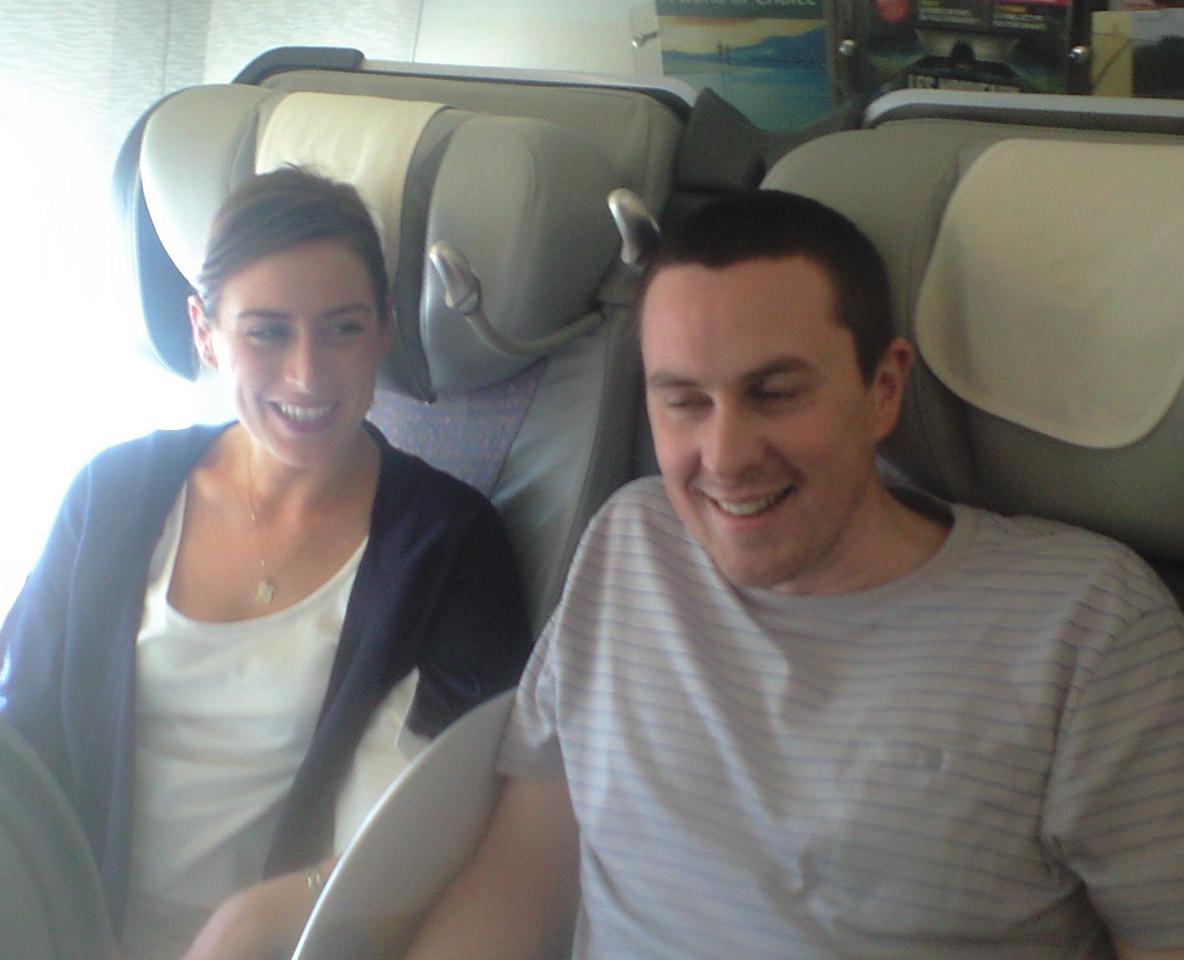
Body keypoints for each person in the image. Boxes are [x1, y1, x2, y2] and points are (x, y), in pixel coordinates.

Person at [402, 190, 1184, 960]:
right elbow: (517, 879)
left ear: (883, 390)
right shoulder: (630, 545)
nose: (726, 457)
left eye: (774, 394)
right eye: (684, 401)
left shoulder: (1092, 629)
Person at [0, 167, 532, 960]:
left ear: (384, 327)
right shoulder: (113, 494)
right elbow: (15, 734)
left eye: (342, 329)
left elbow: (443, 818)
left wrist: (268, 917)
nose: (308, 374)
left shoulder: (449, 545)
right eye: (266, 332)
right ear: (204, 333)